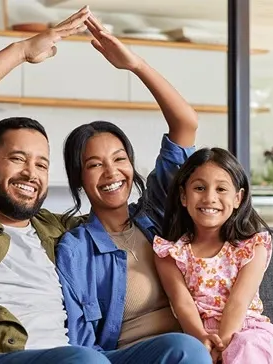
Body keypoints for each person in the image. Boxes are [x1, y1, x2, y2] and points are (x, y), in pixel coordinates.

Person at [0, 6, 208, 364]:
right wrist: (20, 51)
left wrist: (134, 65)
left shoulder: (59, 232)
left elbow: (181, 138)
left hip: (73, 357)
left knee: (183, 350)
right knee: (85, 361)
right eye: (17, 159)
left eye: (41, 164)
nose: (31, 173)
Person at [53, 12, 211, 364]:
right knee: (187, 349)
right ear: (79, 178)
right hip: (130, 357)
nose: (112, 172)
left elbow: (185, 122)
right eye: (94, 164)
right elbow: (80, 341)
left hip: (193, 347)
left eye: (119, 159)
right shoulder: (76, 249)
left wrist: (135, 64)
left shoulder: (156, 213)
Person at [151, 148, 273, 364]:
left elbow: (238, 302)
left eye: (221, 189)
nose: (209, 198)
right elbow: (182, 304)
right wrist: (202, 339)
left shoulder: (253, 248)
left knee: (244, 347)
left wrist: (223, 346)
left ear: (238, 198)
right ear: (183, 196)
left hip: (247, 331)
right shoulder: (169, 253)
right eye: (199, 188)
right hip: (198, 336)